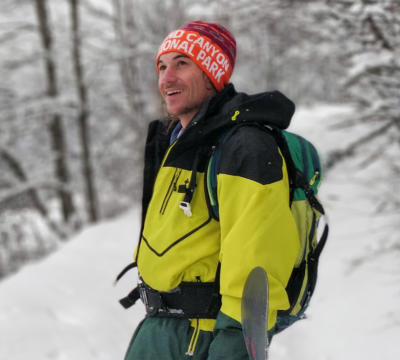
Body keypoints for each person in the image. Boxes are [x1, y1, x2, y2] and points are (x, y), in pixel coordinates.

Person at [122, 21, 299, 359]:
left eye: (182, 64)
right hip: (159, 329)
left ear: (212, 73)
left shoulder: (245, 146)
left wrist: (236, 344)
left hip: (202, 337)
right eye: (162, 66)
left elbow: (257, 259)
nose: (166, 77)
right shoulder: (177, 143)